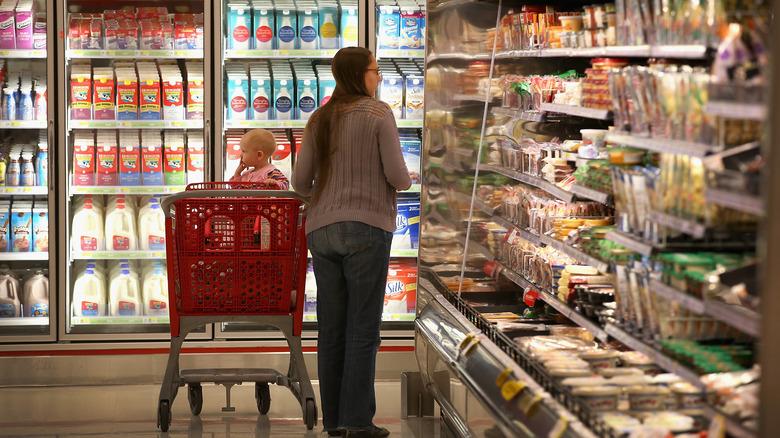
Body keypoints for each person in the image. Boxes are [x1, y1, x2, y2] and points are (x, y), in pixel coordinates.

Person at [292, 47, 411, 438]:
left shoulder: (319, 117)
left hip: (321, 230)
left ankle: (335, 422)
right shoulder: (379, 113)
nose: (378, 78)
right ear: (360, 75)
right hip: (366, 228)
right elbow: (398, 176)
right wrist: (404, 179)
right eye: (375, 72)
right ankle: (357, 422)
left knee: (332, 329)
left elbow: (299, 183)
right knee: (362, 328)